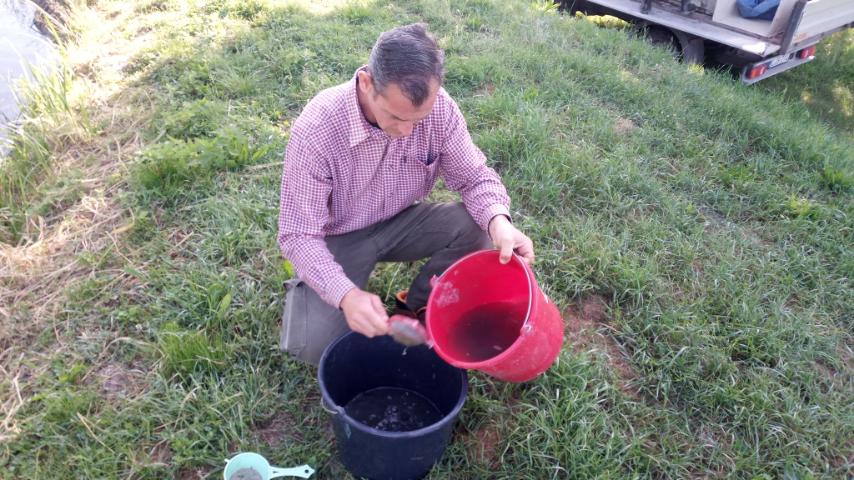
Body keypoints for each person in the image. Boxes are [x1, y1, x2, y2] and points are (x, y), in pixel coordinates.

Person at [277, 23, 535, 365]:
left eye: (418, 119)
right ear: (367, 83)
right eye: (396, 117)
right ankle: (319, 292)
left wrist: (500, 222)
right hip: (339, 236)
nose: (407, 130)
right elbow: (298, 235)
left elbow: (474, 177)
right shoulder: (318, 129)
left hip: (400, 221)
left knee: (477, 224)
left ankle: (419, 307)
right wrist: (346, 295)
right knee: (314, 346)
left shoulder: (441, 110)